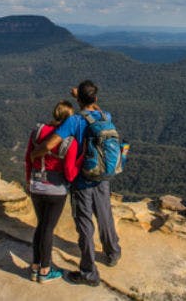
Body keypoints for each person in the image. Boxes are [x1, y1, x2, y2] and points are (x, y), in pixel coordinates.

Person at [31, 80, 121, 287]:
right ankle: (113, 252)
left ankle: (89, 273)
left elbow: (52, 143)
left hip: (82, 180)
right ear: (96, 99)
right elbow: (94, 108)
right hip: (103, 178)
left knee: (85, 225)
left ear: (79, 99)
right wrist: (82, 98)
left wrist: (36, 153)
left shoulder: (74, 121)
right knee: (105, 215)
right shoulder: (106, 116)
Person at [24, 100, 80, 284]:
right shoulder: (69, 141)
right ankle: (45, 270)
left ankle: (34, 267)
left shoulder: (38, 132)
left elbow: (28, 159)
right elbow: (70, 173)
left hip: (36, 185)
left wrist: (29, 182)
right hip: (56, 190)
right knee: (48, 229)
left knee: (41, 226)